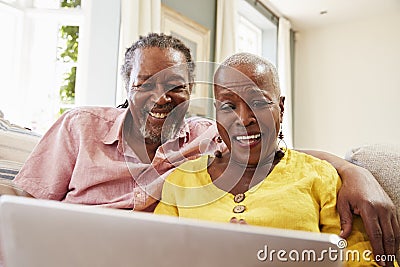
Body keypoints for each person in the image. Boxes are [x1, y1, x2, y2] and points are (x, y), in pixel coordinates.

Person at [0, 33, 397, 262]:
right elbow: (21, 198)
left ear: (191, 93)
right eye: (145, 84)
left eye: (176, 86)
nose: (160, 97)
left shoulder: (209, 135)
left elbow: (278, 151)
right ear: (126, 87)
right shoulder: (79, 126)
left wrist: (355, 170)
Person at [154, 52, 398, 266]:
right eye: (228, 106)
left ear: (281, 109)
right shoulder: (182, 180)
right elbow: (154, 255)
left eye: (258, 103)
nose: (244, 118)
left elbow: (364, 260)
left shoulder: (320, 177)